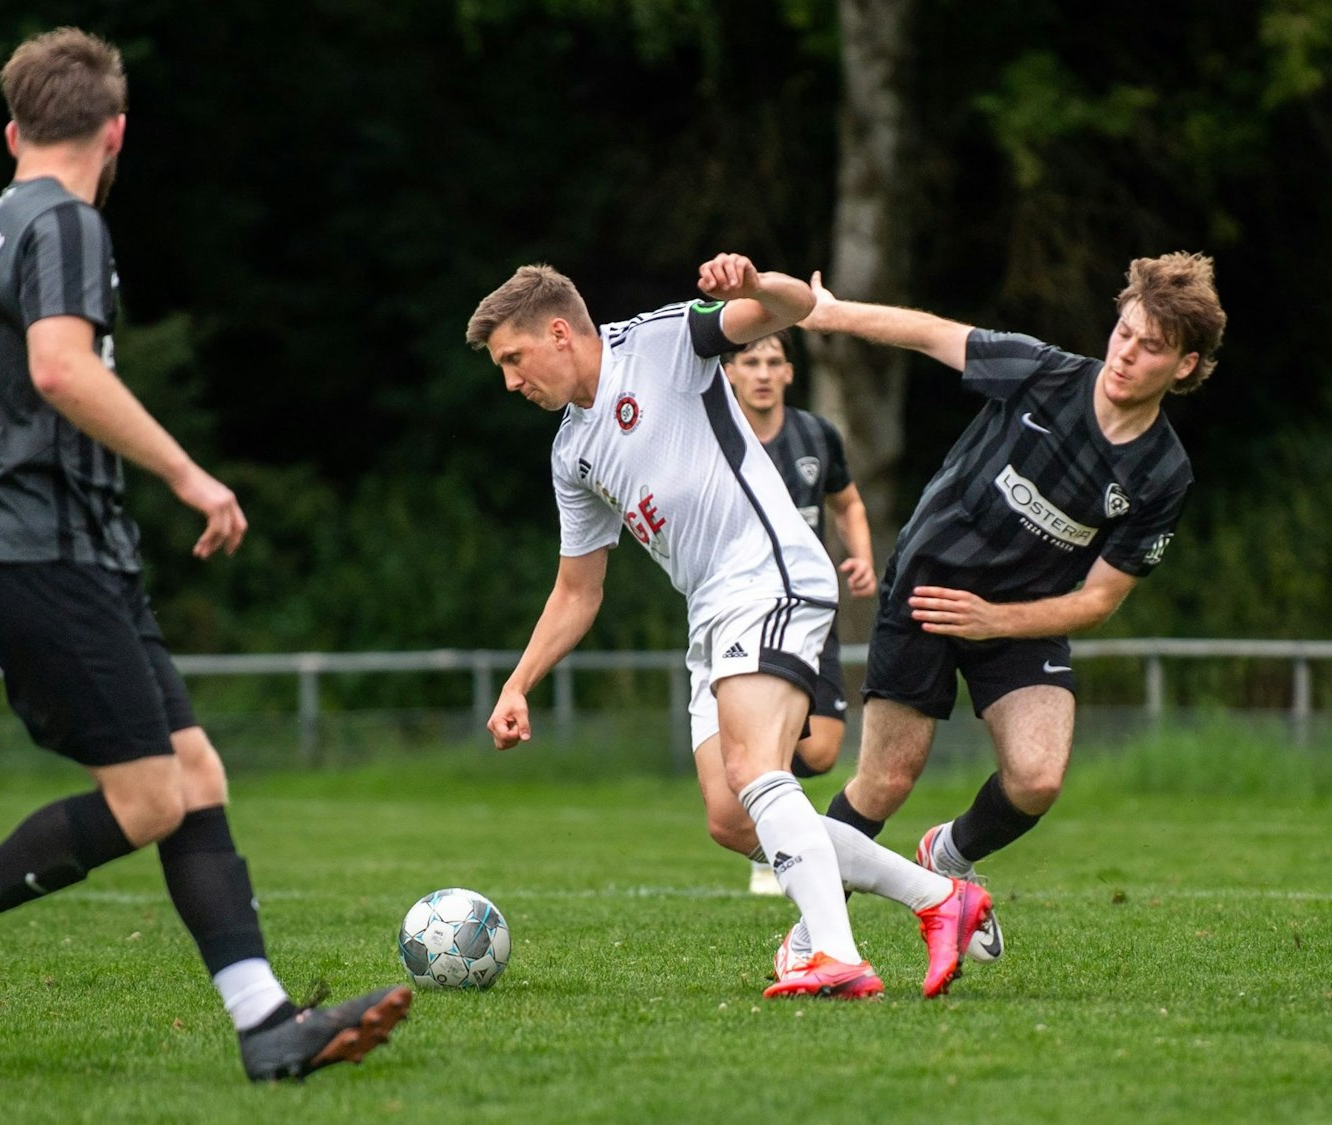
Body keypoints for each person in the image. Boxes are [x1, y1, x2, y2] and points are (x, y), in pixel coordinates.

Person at [0, 28, 410, 1078]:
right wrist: (189, 475)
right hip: (56, 553)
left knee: (193, 772)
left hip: (39, 555)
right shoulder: (67, 222)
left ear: (11, 128)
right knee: (150, 799)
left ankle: (265, 1029)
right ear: (115, 131)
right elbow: (62, 370)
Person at [467, 257, 992, 1001]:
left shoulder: (660, 342)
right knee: (731, 816)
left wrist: (752, 283)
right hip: (710, 608)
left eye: (513, 360)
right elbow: (578, 590)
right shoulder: (571, 452)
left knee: (755, 772)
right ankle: (941, 898)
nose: (512, 382)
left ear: (558, 332)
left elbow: (794, 306)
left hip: (771, 574)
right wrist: (520, 681)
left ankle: (833, 955)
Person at [785, 255, 1219, 968]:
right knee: (887, 780)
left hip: (1018, 616)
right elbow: (931, 333)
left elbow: (1100, 599)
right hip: (930, 587)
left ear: (1184, 364)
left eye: (1151, 346)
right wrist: (830, 314)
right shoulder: (1045, 373)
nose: (1126, 352)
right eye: (1124, 331)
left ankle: (948, 853)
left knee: (1039, 777)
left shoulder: (1162, 473)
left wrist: (996, 621)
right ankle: (811, 937)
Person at [723, 332, 875, 895]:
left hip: (811, 610)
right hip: (747, 610)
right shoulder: (720, 440)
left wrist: (859, 555)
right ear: (731, 372)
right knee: (770, 736)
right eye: (750, 362)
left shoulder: (816, 435)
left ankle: (766, 795)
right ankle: (772, 847)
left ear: (789, 372)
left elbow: (848, 501)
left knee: (822, 750)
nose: (762, 372)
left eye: (773, 362)